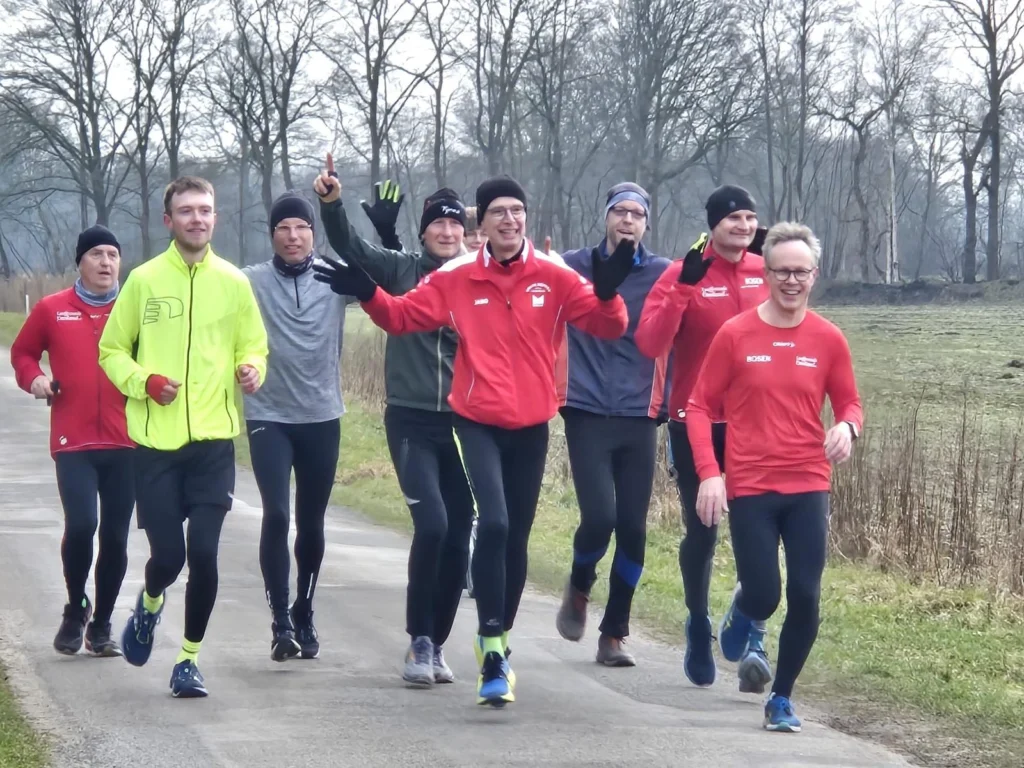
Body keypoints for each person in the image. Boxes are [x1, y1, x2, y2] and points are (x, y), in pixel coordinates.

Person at [313, 174, 633, 707]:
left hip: (531, 426)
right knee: (495, 522)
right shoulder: (459, 275)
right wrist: (368, 290)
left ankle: (500, 646)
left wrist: (607, 291)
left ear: (525, 218)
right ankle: (487, 647)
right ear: (480, 225)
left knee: (516, 538)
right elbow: (403, 316)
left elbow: (608, 327)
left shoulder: (552, 276)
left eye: (517, 210)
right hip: (475, 421)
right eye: (498, 213)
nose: (509, 220)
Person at [685, 221, 862, 732]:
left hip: (808, 481)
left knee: (806, 592)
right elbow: (699, 407)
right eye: (780, 270)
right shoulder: (736, 334)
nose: (790, 280)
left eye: (800, 272)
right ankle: (744, 609)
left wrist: (848, 427)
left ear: (814, 274)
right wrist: (710, 474)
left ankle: (781, 698)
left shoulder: (828, 338)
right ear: (765, 271)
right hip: (752, 485)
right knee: (765, 593)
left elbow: (849, 400)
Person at [98, 176, 269, 698]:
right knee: (168, 558)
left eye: (206, 210)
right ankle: (150, 604)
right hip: (155, 447)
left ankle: (189, 659)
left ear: (215, 218)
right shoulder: (145, 281)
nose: (197, 218)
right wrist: (144, 383)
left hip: (214, 443)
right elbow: (111, 351)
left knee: (207, 554)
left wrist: (250, 369)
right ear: (168, 220)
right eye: (186, 211)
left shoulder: (234, 283)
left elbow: (254, 347)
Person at [312, 155, 475, 688]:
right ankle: (418, 640)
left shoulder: (477, 279)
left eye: (455, 223)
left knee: (459, 537)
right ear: (425, 232)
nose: (447, 231)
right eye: (438, 224)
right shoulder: (403, 269)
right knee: (434, 525)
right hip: (410, 421)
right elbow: (353, 250)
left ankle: (438, 642)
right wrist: (331, 203)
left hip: (464, 421)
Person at [635, 184, 770, 691]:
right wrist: (683, 289)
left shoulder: (766, 272)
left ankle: (753, 630)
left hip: (757, 423)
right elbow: (650, 341)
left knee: (760, 532)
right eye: (733, 217)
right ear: (713, 224)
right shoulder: (683, 271)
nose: (743, 225)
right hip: (693, 421)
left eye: (750, 218)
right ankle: (696, 622)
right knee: (705, 532)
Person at [552, 182, 671, 667]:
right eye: (619, 212)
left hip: (638, 412)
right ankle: (580, 586)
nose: (627, 220)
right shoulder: (573, 266)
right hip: (584, 409)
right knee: (599, 518)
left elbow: (700, 297)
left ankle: (614, 633)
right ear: (605, 217)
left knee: (634, 529)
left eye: (636, 214)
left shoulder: (662, 274)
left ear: (646, 223)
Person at [242, 190, 357, 663]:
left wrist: (385, 232)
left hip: (321, 415)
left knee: (310, 522)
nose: (293, 236)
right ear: (272, 235)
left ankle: (304, 608)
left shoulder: (334, 277)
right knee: (276, 515)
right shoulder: (248, 281)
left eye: (302, 227)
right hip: (268, 415)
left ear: (313, 233)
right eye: (284, 228)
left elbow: (390, 281)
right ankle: (280, 622)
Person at [10, 225, 135, 658]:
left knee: (116, 537)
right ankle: (75, 605)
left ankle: (101, 624)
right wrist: (36, 378)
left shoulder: (135, 309)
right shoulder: (51, 308)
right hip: (73, 439)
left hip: (128, 441)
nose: (106, 263)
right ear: (80, 262)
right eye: (97, 254)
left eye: (113, 255)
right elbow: (23, 353)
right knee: (82, 525)